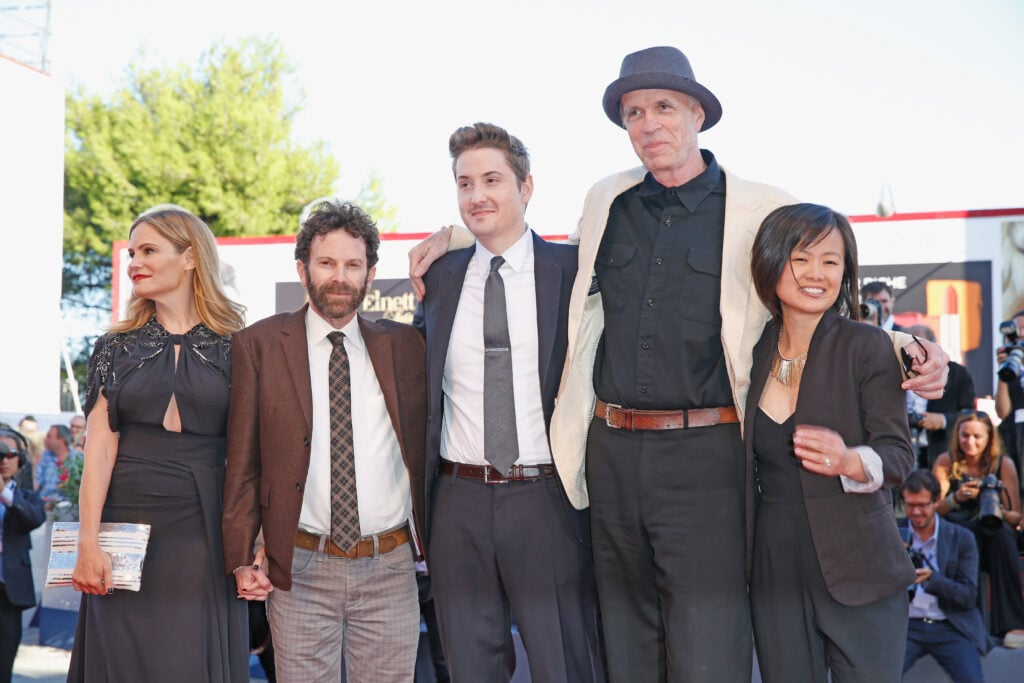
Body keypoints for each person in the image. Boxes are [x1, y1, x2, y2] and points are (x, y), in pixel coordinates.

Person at [408, 46, 950, 682]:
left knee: (708, 646)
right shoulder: (606, 200)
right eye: (633, 112)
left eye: (664, 107)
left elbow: (816, 289)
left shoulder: (760, 208)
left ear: (697, 113)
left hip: (707, 459)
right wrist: (450, 243)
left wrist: (907, 347)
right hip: (609, 456)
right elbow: (534, 258)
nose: (648, 124)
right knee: (626, 644)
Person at [414, 123, 602, 682]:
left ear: (526, 187)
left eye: (492, 179)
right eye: (464, 183)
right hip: (456, 501)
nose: (477, 195)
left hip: (546, 498)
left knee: (563, 661)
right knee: (469, 665)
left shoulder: (573, 274)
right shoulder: (438, 279)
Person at [221, 200, 427, 683]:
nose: (340, 276)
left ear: (371, 273)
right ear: (302, 268)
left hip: (390, 568)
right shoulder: (259, 345)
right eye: (327, 263)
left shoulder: (406, 348)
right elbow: (243, 461)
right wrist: (241, 553)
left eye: (353, 265)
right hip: (299, 567)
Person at [68, 206, 249, 682]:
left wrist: (256, 543)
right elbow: (100, 451)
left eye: (148, 250)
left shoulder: (240, 346)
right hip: (125, 530)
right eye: (132, 253)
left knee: (187, 661)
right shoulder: (113, 347)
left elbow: (252, 453)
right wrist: (88, 542)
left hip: (204, 528)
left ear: (190, 257)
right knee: (123, 662)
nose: (134, 263)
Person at [743, 203, 916, 681]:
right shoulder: (749, 353)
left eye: (830, 261)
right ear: (772, 262)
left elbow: (899, 455)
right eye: (800, 258)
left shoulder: (866, 345)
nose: (815, 273)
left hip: (859, 562)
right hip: (774, 568)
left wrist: (849, 460)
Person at [933, 411, 1024, 648]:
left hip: (993, 537)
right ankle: (961, 623)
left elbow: (1016, 516)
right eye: (965, 436)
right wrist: (956, 498)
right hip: (959, 532)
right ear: (957, 436)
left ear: (989, 438)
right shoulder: (946, 461)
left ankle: (1011, 624)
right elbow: (930, 511)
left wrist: (993, 506)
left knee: (1003, 534)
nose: (970, 442)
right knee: (964, 534)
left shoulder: (1002, 463)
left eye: (977, 436)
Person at [899, 470, 991, 683]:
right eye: (910, 505)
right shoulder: (895, 533)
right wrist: (895, 562)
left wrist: (933, 579)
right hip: (906, 627)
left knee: (972, 679)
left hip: (951, 625)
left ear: (937, 501)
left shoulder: (961, 538)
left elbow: (968, 596)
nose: (916, 512)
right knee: (879, 677)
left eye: (923, 505)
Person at [0, 426, 45, 683]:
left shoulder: (25, 497)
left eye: (11, 454)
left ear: (21, 460)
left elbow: (33, 518)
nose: (4, 460)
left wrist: (4, 494)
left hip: (9, 593)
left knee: (4, 665)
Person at [905, 324, 976, 468]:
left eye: (920, 347)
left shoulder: (957, 374)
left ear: (933, 347)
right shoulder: (894, 373)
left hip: (943, 454)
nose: (915, 354)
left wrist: (942, 420)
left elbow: (970, 415)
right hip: (904, 452)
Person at [995, 309, 1024, 487]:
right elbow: (1003, 411)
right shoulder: (1011, 364)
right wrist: (1003, 370)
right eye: (1017, 329)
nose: (1021, 334)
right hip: (1014, 439)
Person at [35, 424, 83, 506]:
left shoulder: (79, 459)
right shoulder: (43, 458)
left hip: (71, 507)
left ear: (61, 441)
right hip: (45, 506)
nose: (45, 439)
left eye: (49, 437)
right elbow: (35, 486)